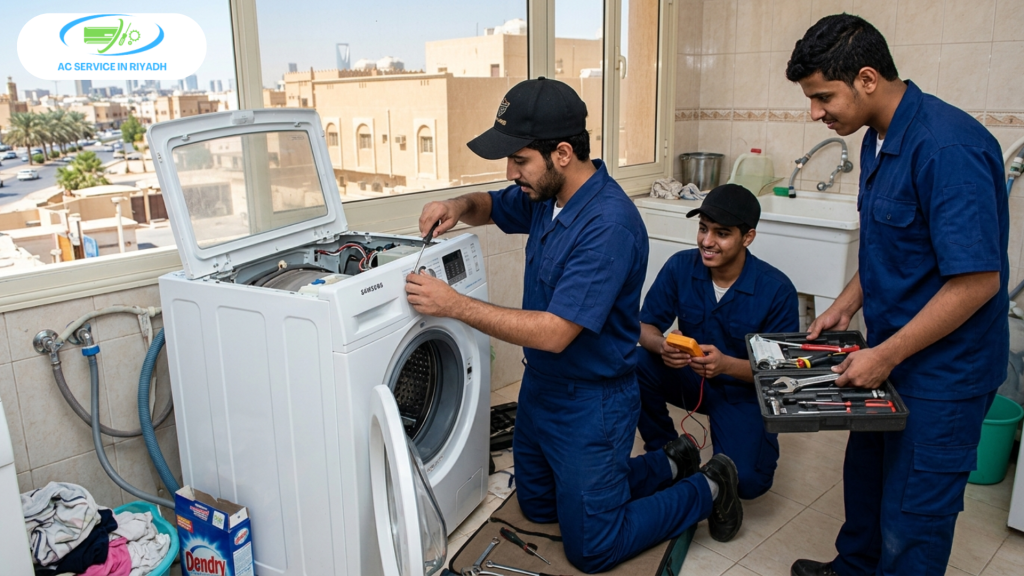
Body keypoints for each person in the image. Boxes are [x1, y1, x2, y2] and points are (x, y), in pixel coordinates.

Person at [405, 77, 743, 573]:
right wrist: (455, 207)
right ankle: (671, 461)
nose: (510, 172)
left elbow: (555, 332)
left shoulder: (609, 224)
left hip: (593, 402)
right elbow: (493, 206)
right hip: (542, 389)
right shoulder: (546, 195)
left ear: (562, 153)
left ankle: (709, 483)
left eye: (519, 160)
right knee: (538, 508)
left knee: (592, 548)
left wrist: (454, 304)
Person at [784, 14, 1008, 576]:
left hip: (942, 373)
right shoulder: (874, 141)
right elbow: (894, 246)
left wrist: (886, 354)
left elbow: (978, 281)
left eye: (822, 97)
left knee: (913, 517)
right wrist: (846, 303)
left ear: (866, 78)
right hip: (889, 352)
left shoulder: (946, 147)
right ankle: (853, 569)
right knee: (866, 483)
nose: (815, 113)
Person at [636, 184, 798, 499]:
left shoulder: (776, 290)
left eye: (721, 234)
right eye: (703, 229)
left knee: (747, 483)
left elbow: (782, 375)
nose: (707, 242)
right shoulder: (680, 267)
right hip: (689, 379)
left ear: (747, 237)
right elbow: (645, 326)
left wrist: (726, 365)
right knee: (635, 363)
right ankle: (670, 454)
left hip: (742, 394)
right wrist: (662, 346)